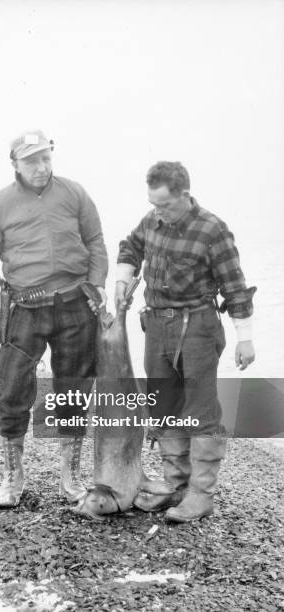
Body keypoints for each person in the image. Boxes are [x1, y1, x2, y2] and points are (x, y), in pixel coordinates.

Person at [0, 129, 108, 508]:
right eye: (31, 161)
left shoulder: (75, 193)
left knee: (74, 389)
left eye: (46, 158)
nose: (41, 167)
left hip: (76, 305)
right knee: (11, 391)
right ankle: (13, 476)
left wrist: (97, 286)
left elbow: (95, 241)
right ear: (15, 164)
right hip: (24, 309)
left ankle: (70, 476)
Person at [115, 161, 256, 522]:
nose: (157, 211)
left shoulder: (213, 229)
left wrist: (245, 339)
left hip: (198, 327)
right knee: (163, 405)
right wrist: (122, 279)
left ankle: (200, 496)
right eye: (153, 204)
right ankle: (175, 485)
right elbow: (130, 246)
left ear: (183, 195)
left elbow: (235, 287)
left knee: (201, 410)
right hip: (157, 325)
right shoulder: (152, 220)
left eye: (164, 204)